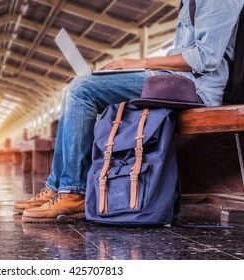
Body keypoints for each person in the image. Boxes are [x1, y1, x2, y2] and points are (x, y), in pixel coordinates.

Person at [14, 0, 244, 223]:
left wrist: (138, 62)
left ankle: (75, 193)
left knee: (82, 89)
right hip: (176, 79)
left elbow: (206, 58)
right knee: (77, 86)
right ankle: (57, 187)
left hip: (197, 88)